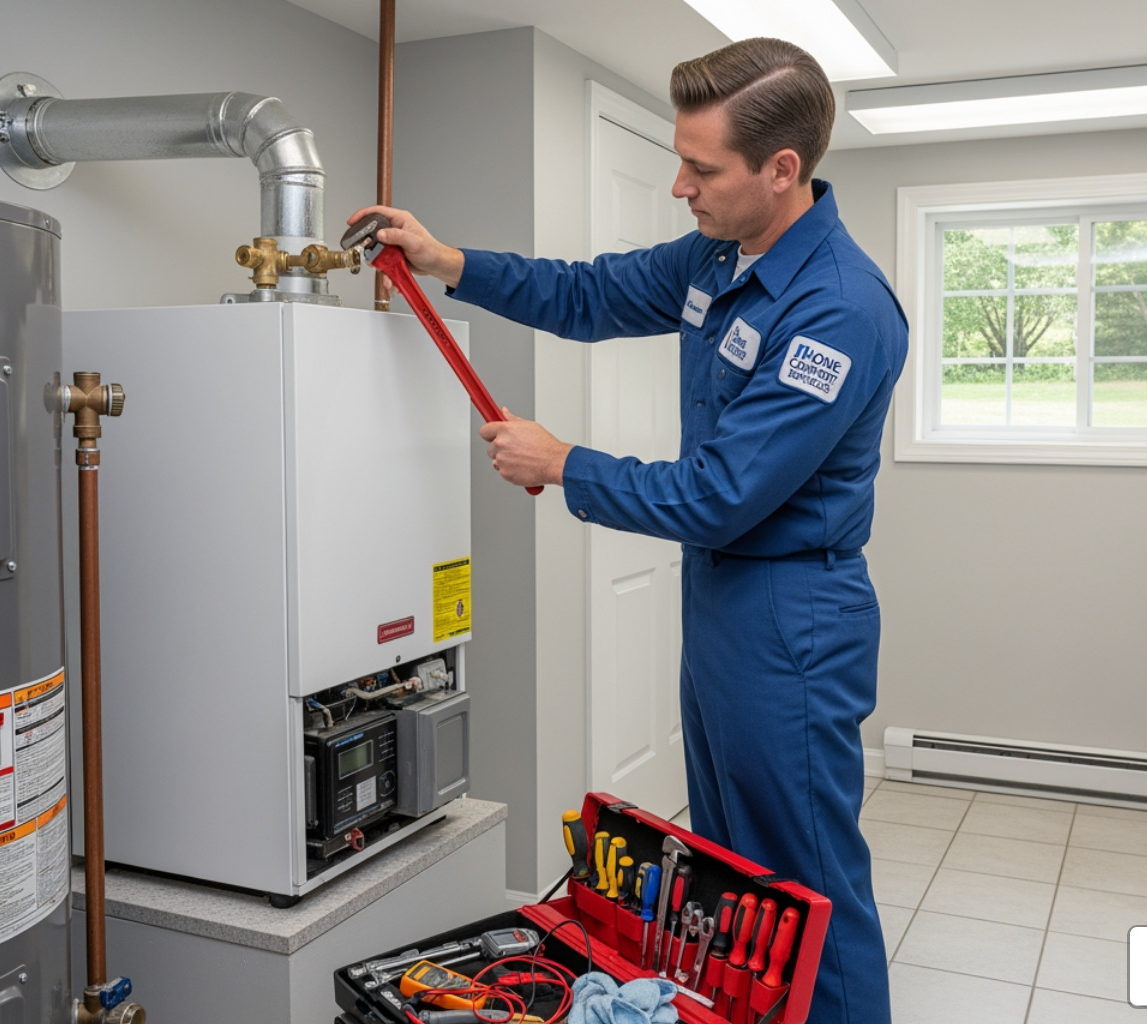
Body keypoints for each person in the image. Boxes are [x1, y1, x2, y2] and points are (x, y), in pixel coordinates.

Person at [352, 37, 906, 1024]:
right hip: (723, 592)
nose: (679, 187)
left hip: (791, 611)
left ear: (781, 170)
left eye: (701, 168)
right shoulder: (722, 254)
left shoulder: (839, 310)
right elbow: (592, 292)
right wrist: (449, 262)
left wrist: (565, 463)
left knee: (807, 885)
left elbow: (720, 493)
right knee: (733, 875)